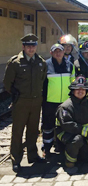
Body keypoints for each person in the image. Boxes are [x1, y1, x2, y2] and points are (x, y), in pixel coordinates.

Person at [3, 33, 47, 172]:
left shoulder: (41, 62)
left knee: (33, 131)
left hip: (36, 102)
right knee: (17, 131)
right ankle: (16, 159)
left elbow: (43, 80)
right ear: (23, 46)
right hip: (21, 101)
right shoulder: (15, 62)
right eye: (28, 46)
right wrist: (16, 94)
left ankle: (33, 155)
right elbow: (7, 83)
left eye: (33, 46)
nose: (31, 49)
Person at [55, 75, 88, 168]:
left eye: (83, 89)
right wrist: (87, 133)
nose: (81, 91)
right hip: (66, 134)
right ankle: (69, 160)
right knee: (77, 140)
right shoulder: (66, 106)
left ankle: (78, 153)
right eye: (78, 89)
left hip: (83, 134)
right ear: (73, 90)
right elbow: (68, 125)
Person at [41, 44, 75, 158]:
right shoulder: (46, 65)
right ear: (51, 53)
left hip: (66, 102)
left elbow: (73, 83)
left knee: (64, 124)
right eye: (55, 51)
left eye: (59, 51)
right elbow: (42, 83)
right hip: (49, 102)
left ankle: (63, 147)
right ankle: (46, 148)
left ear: (63, 51)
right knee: (48, 126)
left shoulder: (70, 65)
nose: (58, 53)